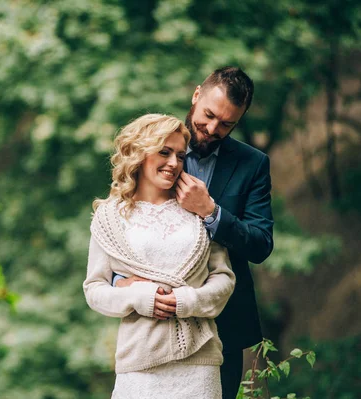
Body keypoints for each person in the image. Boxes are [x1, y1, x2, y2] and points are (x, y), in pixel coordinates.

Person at [114, 66, 274, 399]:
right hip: (151, 329)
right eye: (209, 116)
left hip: (222, 324)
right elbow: (122, 227)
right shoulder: (155, 145)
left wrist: (211, 212)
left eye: (226, 124)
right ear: (196, 95)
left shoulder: (253, 164)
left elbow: (260, 245)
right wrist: (121, 282)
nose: (213, 129)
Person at [83, 113, 236, 398]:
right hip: (140, 365)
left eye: (180, 155)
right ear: (138, 154)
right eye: (164, 152)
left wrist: (188, 300)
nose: (174, 163)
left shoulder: (198, 207)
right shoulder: (109, 217)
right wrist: (140, 296)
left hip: (199, 364)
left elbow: (224, 279)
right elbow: (95, 289)